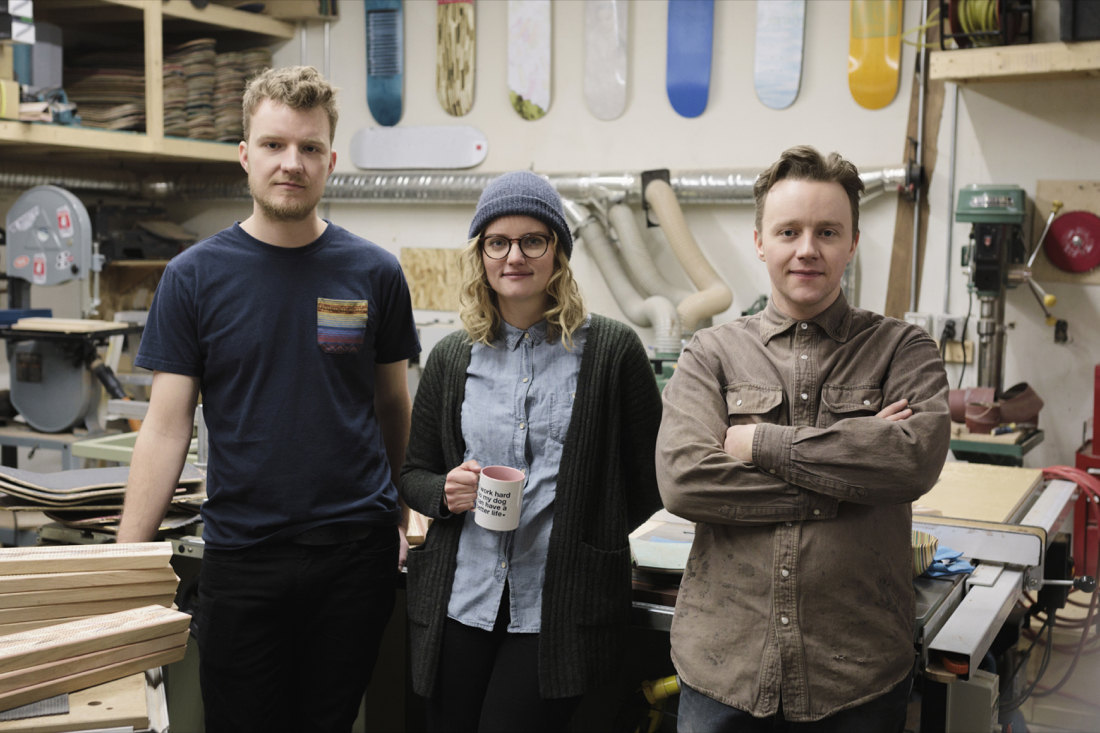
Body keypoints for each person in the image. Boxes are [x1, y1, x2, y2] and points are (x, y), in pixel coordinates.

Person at [116, 65, 420, 733]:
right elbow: (165, 429)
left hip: (353, 559)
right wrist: (122, 563)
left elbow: (393, 406)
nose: (293, 162)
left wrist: (399, 516)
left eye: (310, 148)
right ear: (245, 155)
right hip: (243, 557)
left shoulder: (375, 272)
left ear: (331, 161)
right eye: (276, 145)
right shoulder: (194, 277)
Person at [655, 145, 951, 732]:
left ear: (853, 242)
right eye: (789, 231)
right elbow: (685, 483)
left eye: (827, 231)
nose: (807, 249)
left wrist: (758, 442)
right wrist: (851, 480)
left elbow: (912, 461)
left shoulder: (903, 349)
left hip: (857, 673)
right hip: (725, 669)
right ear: (761, 241)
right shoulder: (709, 355)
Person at [400, 171, 663, 733]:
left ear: (558, 253)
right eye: (498, 242)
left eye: (533, 241)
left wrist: (591, 539)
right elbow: (413, 472)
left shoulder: (612, 352)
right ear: (481, 255)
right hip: (461, 598)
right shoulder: (451, 358)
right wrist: (445, 492)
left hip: (558, 606)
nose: (514, 256)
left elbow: (652, 484)